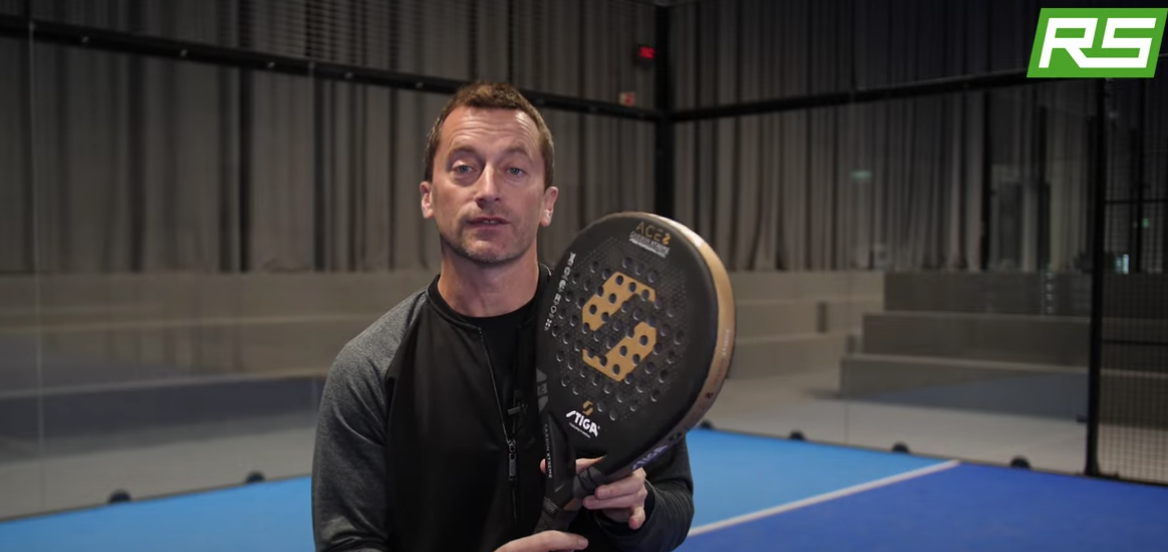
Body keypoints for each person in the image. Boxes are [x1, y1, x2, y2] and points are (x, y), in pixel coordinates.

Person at [311, 81, 696, 552]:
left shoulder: (612, 338)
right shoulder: (370, 368)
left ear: (547, 202)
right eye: (464, 168)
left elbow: (674, 504)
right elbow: (347, 543)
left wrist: (636, 511)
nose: (488, 190)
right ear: (428, 197)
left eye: (514, 169)